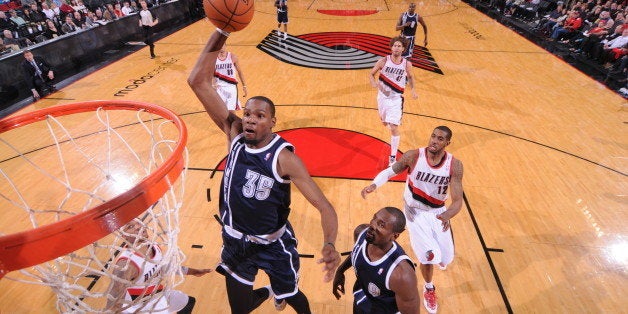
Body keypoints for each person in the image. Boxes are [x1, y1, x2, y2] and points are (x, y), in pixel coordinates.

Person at [188, 29, 341, 314]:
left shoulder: (284, 159)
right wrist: (221, 31)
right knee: (240, 311)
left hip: (272, 244)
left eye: (259, 116)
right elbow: (196, 81)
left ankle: (284, 294)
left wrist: (330, 244)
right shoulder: (233, 133)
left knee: (294, 297)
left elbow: (325, 207)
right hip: (234, 241)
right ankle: (268, 291)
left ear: (272, 122)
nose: (250, 120)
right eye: (247, 113)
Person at [361, 126, 464, 314]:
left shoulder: (454, 165)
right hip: (414, 212)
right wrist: (374, 184)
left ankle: (441, 252)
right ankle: (429, 287)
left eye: (440, 139)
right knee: (429, 256)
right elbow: (390, 171)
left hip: (438, 212)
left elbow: (458, 200)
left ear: (447, 143)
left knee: (446, 258)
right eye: (433, 136)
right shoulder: (414, 156)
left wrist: (447, 215)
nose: (434, 140)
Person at [107, 219, 212, 313]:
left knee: (188, 302)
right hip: (139, 306)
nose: (138, 227)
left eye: (138, 223)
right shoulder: (126, 263)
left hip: (157, 294)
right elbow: (113, 299)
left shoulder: (153, 247)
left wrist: (193, 272)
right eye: (130, 226)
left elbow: (165, 267)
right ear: (124, 236)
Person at [332, 207, 420, 314]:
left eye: (381, 225)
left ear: (394, 236)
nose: (372, 225)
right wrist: (340, 271)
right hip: (362, 300)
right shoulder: (361, 233)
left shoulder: (401, 275)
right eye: (374, 218)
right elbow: (356, 252)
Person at [369, 36, 418, 166]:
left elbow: (411, 77)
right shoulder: (383, 61)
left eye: (399, 46)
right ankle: (385, 119)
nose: (396, 48)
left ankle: (392, 157)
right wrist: (373, 82)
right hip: (382, 97)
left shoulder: (407, 64)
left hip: (396, 98)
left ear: (403, 49)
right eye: (394, 46)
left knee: (393, 127)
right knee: (385, 123)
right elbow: (371, 73)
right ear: (391, 47)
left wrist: (413, 89)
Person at [214, 43, 248, 114]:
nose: (221, 47)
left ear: (225, 46)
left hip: (231, 87)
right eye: (220, 45)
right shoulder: (213, 58)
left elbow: (240, 72)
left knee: (231, 111)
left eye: (223, 45)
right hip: (219, 88)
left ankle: (233, 124)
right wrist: (213, 84)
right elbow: (211, 73)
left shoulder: (232, 57)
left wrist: (244, 86)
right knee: (222, 112)